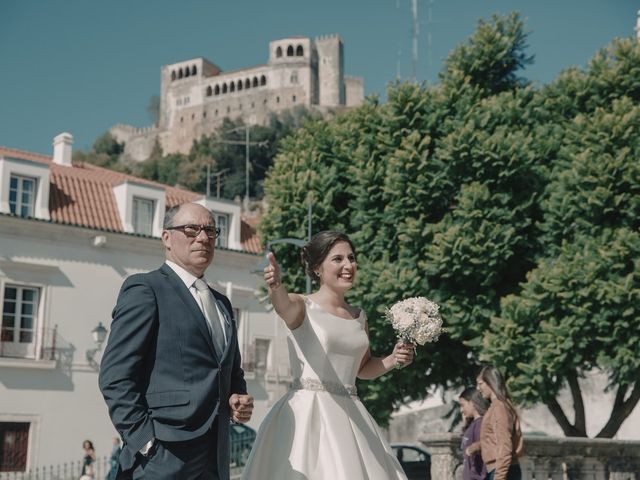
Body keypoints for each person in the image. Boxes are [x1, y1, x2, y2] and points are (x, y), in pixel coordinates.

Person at [242, 230, 415, 479]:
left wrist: (392, 359)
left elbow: (363, 369)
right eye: (338, 259)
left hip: (353, 415)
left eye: (352, 258)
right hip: (309, 414)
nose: (348, 265)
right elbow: (282, 305)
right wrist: (276, 285)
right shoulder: (302, 306)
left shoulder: (359, 316)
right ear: (317, 269)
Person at [99, 203, 254, 480]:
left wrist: (236, 398)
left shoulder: (223, 304)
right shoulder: (145, 289)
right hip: (162, 456)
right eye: (191, 229)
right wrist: (145, 441)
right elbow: (115, 376)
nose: (203, 237)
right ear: (167, 238)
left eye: (210, 230)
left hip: (215, 456)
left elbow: (231, 372)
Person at [474, 365, 524, 480]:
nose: (478, 388)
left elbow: (505, 446)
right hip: (502, 469)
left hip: (502, 471)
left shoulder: (499, 408)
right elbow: (494, 439)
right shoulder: (499, 406)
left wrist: (499, 477)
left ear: (491, 382)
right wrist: (474, 448)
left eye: (480, 384)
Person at [459, 387, 489, 480]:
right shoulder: (473, 424)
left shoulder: (481, 424)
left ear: (472, 403)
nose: (461, 410)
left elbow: (483, 449)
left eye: (462, 405)